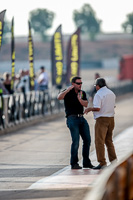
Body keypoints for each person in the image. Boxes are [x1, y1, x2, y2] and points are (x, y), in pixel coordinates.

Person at [57, 76, 94, 169]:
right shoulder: (67, 92)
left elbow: (86, 104)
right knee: (76, 141)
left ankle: (86, 162)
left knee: (87, 139)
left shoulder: (82, 93)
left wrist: (80, 100)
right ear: (73, 84)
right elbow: (59, 97)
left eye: (81, 83)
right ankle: (74, 163)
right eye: (78, 83)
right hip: (72, 118)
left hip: (81, 118)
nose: (80, 85)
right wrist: (67, 90)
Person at [84, 78, 117, 170]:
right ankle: (114, 161)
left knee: (99, 142)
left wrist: (89, 109)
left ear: (98, 86)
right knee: (109, 141)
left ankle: (102, 163)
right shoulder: (111, 93)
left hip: (102, 119)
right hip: (111, 119)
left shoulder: (98, 94)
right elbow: (113, 106)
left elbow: (97, 108)